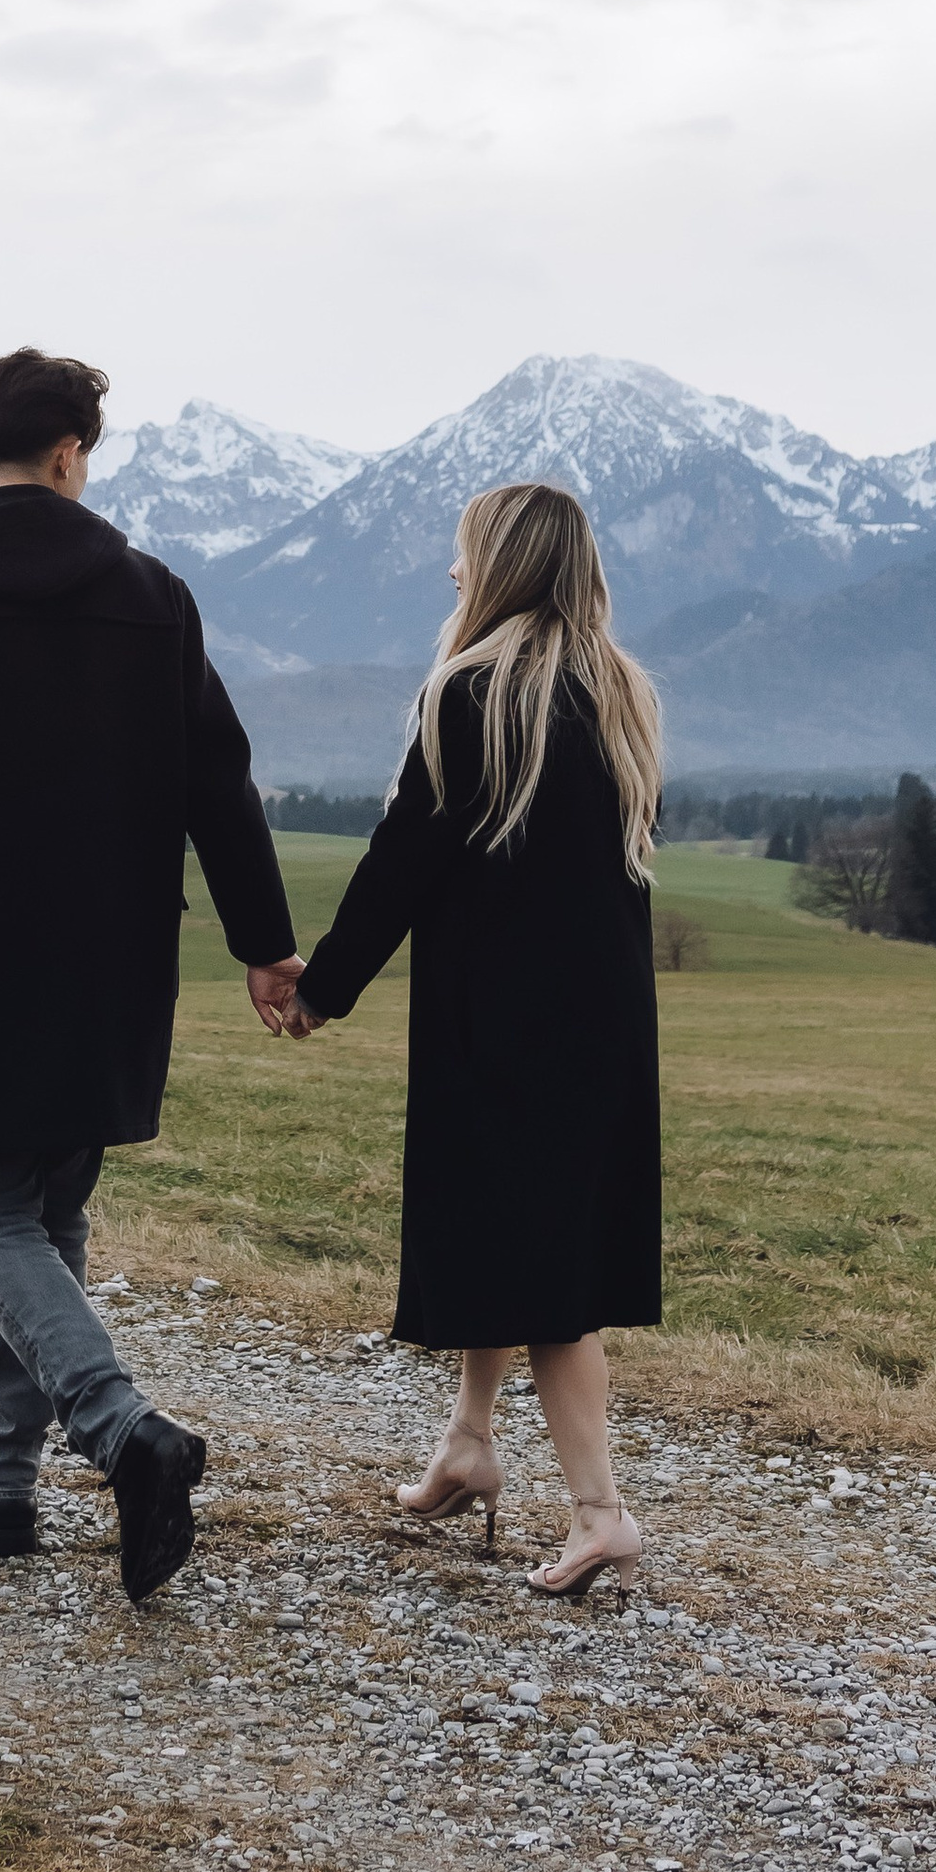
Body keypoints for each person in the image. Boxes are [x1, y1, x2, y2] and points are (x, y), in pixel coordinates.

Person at [0, 344, 303, 1602]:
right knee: (50, 1213)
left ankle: (123, 1432)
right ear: (70, 453)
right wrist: (263, 943)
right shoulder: (153, 596)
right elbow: (218, 782)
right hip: (111, 961)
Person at [279, 479, 663, 1600]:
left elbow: (404, 857)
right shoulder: (619, 691)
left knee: (543, 1277)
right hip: (601, 1026)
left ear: (499, 567)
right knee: (519, 1240)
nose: (450, 574)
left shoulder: (471, 693)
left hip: (498, 1026)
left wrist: (323, 988)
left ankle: (601, 1513)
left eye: (462, 555)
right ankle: (468, 1442)